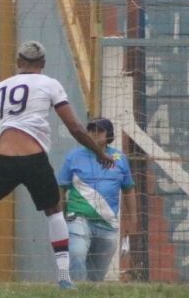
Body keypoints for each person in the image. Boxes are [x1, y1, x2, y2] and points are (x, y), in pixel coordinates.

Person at [0, 40, 113, 290]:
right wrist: (99, 153)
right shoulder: (50, 84)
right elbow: (75, 128)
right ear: (43, 64)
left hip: (5, 160)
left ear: (18, 63)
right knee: (54, 212)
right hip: (34, 159)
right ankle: (63, 276)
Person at [58, 117, 138, 282]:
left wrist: (133, 220)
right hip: (78, 217)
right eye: (90, 130)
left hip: (108, 223)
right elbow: (61, 187)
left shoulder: (120, 158)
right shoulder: (74, 156)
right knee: (77, 253)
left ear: (109, 135)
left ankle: (90, 291)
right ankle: (77, 291)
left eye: (99, 130)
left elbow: (129, 190)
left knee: (97, 274)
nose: (94, 134)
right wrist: (60, 216)